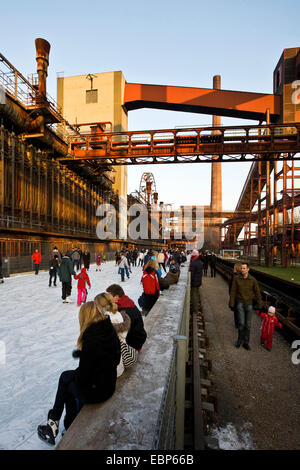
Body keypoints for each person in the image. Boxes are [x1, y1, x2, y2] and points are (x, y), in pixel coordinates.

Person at [37, 301, 121, 445]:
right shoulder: (109, 329)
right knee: (68, 382)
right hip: (108, 384)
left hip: (98, 391)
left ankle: (54, 423)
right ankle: (63, 424)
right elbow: (110, 357)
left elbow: (83, 377)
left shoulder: (91, 338)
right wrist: (84, 355)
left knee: (66, 380)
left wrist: (84, 359)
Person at [94, 293, 136, 377]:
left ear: (100, 306)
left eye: (95, 305)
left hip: (111, 370)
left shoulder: (106, 320)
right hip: (119, 364)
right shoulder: (116, 313)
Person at [229, 262, 262, 350]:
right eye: (242, 268)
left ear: (248, 269)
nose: (243, 270)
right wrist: (231, 304)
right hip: (240, 303)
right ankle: (239, 341)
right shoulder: (236, 279)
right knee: (241, 323)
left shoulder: (253, 280)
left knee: (248, 325)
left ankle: (246, 343)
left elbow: (257, 292)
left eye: (244, 268)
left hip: (249, 304)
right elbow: (233, 292)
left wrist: (259, 304)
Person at [106, 284, 147, 351]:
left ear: (116, 297)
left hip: (133, 344)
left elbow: (121, 333)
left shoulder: (123, 311)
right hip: (139, 337)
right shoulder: (126, 302)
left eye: (109, 296)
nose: (107, 298)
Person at [189, 250, 204, 314]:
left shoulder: (194, 262)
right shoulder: (200, 262)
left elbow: (191, 274)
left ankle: (195, 310)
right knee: (196, 295)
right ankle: (196, 309)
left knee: (194, 296)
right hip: (198, 281)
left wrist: (190, 281)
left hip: (194, 282)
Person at [229, 263, 242, 329]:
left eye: (234, 268)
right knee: (237, 310)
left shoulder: (236, 277)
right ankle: (237, 324)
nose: (233, 269)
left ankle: (238, 324)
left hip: (237, 296)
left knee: (237, 311)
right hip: (235, 296)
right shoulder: (234, 275)